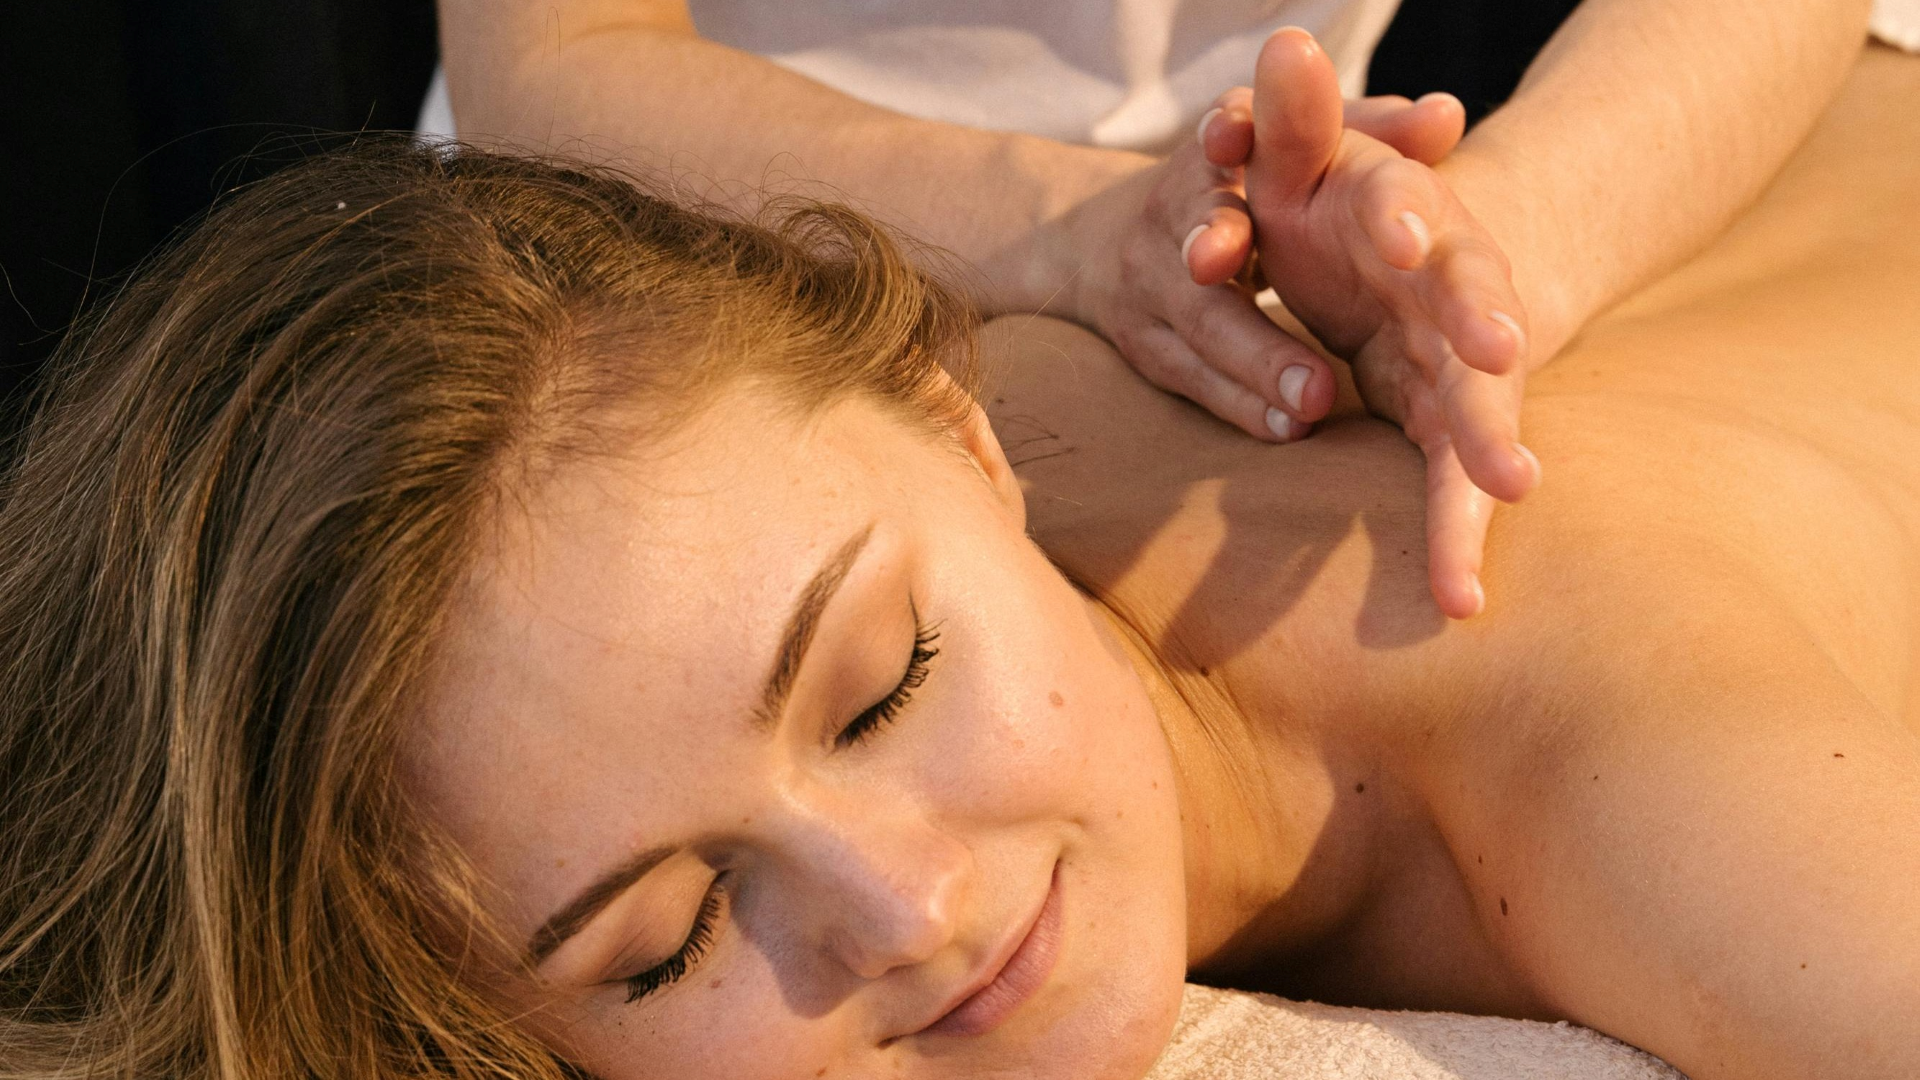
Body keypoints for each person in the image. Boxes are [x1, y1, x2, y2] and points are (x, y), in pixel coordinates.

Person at [6, 40, 1920, 1080]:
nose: (904, 908)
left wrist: (1500, 241)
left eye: (887, 685)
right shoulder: (751, 457)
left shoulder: (1681, 816)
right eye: (663, 943)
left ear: (959, 422)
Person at [433, 0, 1885, 618]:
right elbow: (554, 68)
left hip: (1286, 198)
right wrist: (1083, 237)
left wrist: (1489, 258)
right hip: (721, 238)